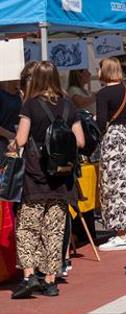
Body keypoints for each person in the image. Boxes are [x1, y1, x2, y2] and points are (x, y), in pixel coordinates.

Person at [10, 61, 85, 299]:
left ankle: (30, 275)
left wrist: (12, 145)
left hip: (35, 175)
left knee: (27, 227)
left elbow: (21, 140)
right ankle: (51, 280)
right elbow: (80, 141)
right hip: (61, 177)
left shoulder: (30, 105)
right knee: (54, 229)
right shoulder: (68, 106)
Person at [96, 57, 126, 251]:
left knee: (114, 185)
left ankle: (120, 233)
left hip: (114, 140)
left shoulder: (103, 93)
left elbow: (100, 122)